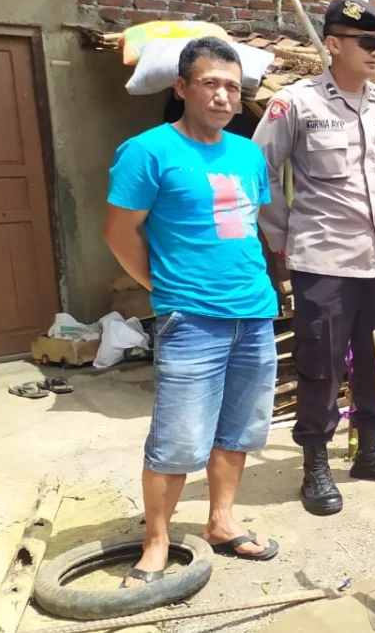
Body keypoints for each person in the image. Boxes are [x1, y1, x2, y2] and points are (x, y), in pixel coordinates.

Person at [104, 37, 280, 588]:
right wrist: (160, 285)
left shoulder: (249, 153)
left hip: (252, 313)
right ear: (182, 88)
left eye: (232, 86)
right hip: (191, 319)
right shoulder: (147, 151)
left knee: (238, 430)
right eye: (211, 83)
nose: (224, 95)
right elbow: (119, 231)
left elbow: (251, 227)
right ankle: (156, 542)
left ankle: (222, 523)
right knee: (178, 438)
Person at [253, 0, 375, 517]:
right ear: (333, 44)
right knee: (320, 362)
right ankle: (316, 465)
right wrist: (284, 233)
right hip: (322, 256)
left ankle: (370, 450)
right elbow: (260, 171)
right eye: (366, 42)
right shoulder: (296, 103)